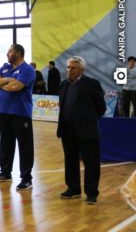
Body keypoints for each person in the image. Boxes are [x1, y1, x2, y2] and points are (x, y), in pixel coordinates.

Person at [57, 56, 106, 205]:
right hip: (67, 129)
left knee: (91, 163)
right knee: (70, 161)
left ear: (82, 70)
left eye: (73, 68)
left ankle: (91, 193)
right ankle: (73, 188)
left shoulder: (92, 84)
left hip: (87, 130)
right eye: (68, 67)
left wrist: (88, 120)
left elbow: (101, 108)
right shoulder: (63, 84)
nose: (69, 70)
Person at [0, 44, 36, 190]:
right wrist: (7, 80)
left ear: (18, 53)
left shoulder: (27, 70)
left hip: (21, 113)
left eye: (9, 51)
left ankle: (26, 178)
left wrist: (2, 82)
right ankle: (5, 172)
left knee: (25, 147)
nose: (7, 54)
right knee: (6, 144)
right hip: (4, 113)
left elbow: (16, 87)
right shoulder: (4, 68)